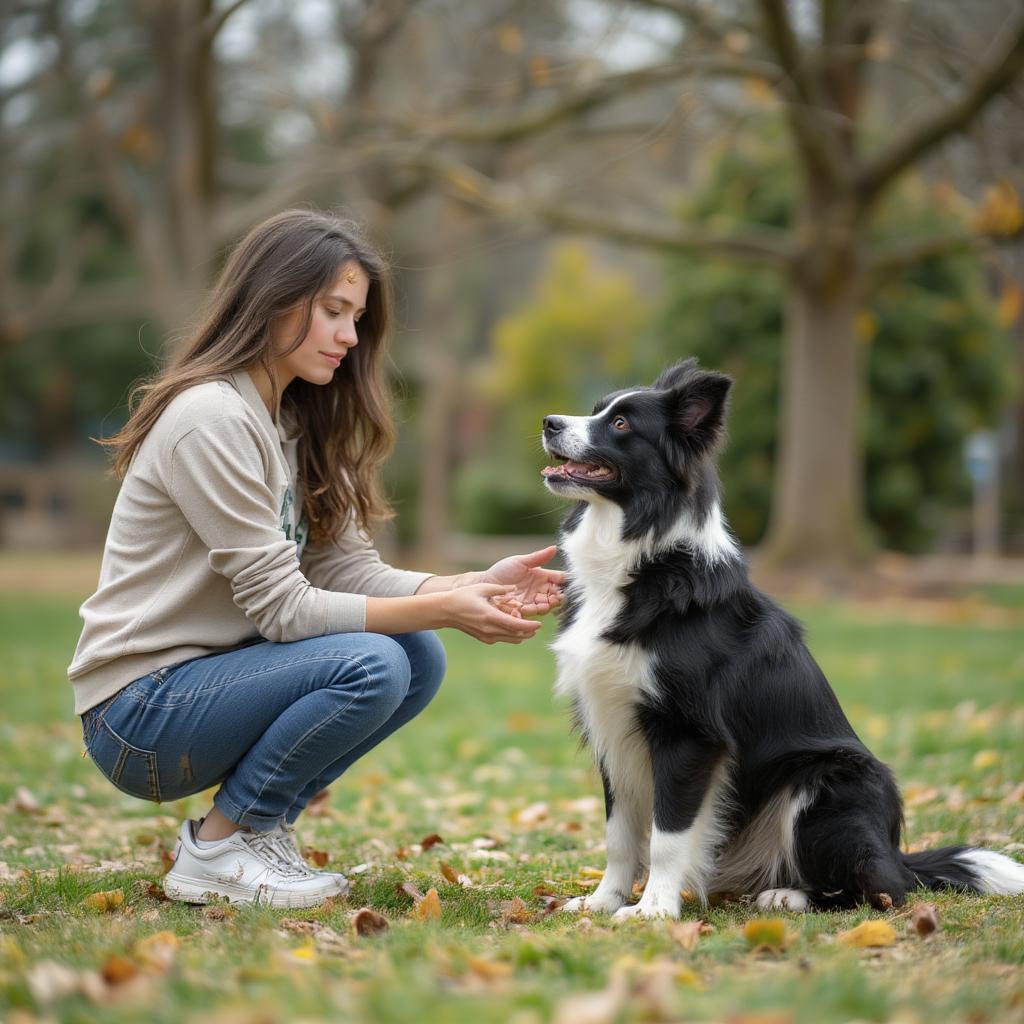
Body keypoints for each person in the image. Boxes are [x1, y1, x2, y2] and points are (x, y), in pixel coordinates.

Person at [68, 209, 564, 909]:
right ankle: (218, 850)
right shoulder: (211, 418)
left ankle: (256, 834)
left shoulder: (292, 421)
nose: (349, 336)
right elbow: (284, 609)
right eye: (333, 310)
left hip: (206, 685)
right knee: (375, 659)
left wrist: (467, 585)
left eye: (356, 317)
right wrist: (444, 607)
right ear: (272, 297)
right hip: (140, 710)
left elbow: (346, 571)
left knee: (416, 653)